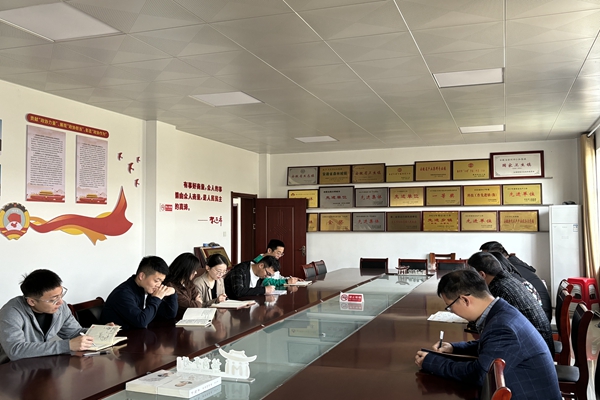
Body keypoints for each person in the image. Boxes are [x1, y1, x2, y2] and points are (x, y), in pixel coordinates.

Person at [415, 269, 561, 400]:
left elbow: (480, 375)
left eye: (450, 307)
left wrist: (431, 362)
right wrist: (454, 348)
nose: (452, 311)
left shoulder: (502, 326)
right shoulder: (502, 310)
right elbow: (492, 347)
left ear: (464, 300)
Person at [467, 252, 554, 353]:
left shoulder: (498, 289)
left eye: (470, 277)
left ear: (482, 275)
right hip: (541, 344)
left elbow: (488, 326)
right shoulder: (508, 279)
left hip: (533, 351)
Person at [0, 269, 94, 363]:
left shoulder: (61, 307)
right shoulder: (11, 312)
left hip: (41, 364)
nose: (61, 302)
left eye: (61, 295)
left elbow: (74, 333)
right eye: (53, 300)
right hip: (11, 366)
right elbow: (15, 351)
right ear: (32, 301)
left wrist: (100, 331)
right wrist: (67, 345)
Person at [480, 241, 552, 321]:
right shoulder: (514, 264)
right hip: (541, 314)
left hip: (539, 316)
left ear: (496, 258)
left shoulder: (508, 272)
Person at [101, 256, 178, 329]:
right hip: (119, 336)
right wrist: (156, 298)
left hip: (136, 334)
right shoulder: (123, 294)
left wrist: (172, 293)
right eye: (156, 281)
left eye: (161, 281)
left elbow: (169, 315)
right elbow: (141, 321)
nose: (159, 285)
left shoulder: (143, 289)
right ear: (141, 276)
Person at [164, 253, 202, 319]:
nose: (196, 273)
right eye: (194, 270)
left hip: (189, 318)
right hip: (174, 321)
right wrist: (197, 303)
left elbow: (197, 297)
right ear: (186, 269)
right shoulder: (169, 285)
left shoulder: (188, 282)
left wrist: (196, 303)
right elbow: (191, 306)